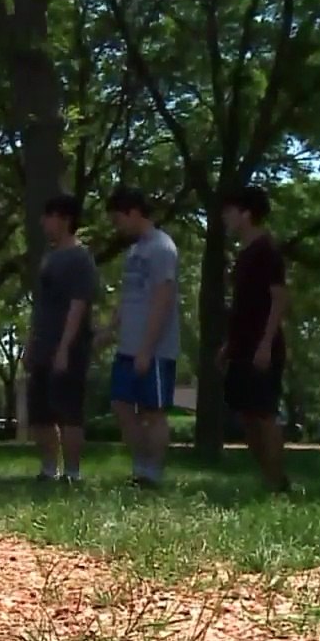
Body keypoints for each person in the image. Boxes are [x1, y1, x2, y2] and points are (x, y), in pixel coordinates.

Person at [102, 186, 180, 488]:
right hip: (128, 346)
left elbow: (163, 298)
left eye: (118, 219)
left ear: (133, 213)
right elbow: (127, 298)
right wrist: (110, 330)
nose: (116, 226)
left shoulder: (163, 248)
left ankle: (152, 474)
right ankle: (141, 466)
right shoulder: (134, 251)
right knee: (120, 405)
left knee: (153, 411)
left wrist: (147, 348)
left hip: (155, 348)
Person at [217, 186, 290, 492]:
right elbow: (244, 306)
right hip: (242, 346)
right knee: (247, 416)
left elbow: (279, 299)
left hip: (263, 346)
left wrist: (265, 344)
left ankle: (279, 483)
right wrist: (228, 345)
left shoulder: (267, 250)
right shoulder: (244, 254)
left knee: (264, 414)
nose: (225, 218)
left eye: (230, 211)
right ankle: (267, 479)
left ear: (246, 213)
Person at [24, 194, 99, 483]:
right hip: (43, 346)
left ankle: (72, 472)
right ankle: (48, 469)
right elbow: (40, 306)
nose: (44, 222)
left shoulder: (80, 258)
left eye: (49, 215)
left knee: (68, 412)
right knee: (41, 413)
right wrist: (31, 343)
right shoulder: (49, 258)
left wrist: (65, 347)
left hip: (69, 347)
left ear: (65, 219)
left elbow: (78, 304)